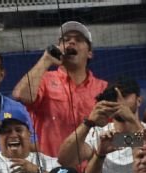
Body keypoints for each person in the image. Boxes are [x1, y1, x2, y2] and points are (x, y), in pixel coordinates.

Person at [11, 21, 108, 158]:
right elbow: (21, 95)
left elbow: (121, 135)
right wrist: (45, 60)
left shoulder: (104, 88)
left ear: (90, 53)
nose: (71, 43)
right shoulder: (43, 80)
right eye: (65, 40)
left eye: (78, 40)